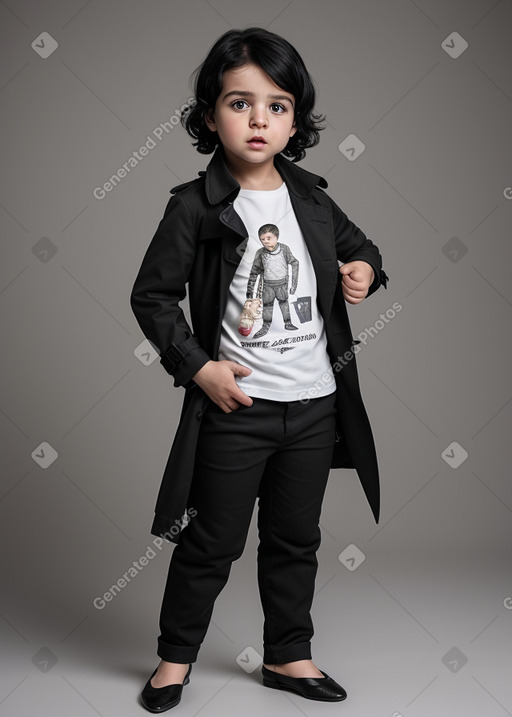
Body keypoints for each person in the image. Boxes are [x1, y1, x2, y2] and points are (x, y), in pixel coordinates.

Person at [130, 26, 389, 713]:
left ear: (295, 120)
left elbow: (364, 249)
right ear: (210, 114)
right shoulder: (193, 205)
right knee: (211, 542)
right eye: (239, 103)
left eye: (276, 106)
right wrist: (198, 369)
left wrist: (363, 268)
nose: (258, 120)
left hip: (314, 406)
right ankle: (174, 658)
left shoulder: (310, 197)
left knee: (295, 538)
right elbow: (151, 296)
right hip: (236, 409)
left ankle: (287, 654)